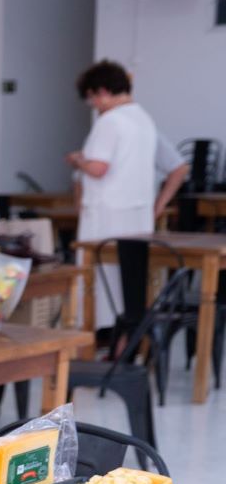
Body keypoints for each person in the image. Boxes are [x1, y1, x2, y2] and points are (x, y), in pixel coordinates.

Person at [65, 59, 158, 329]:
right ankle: (127, 338)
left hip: (107, 214)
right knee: (128, 282)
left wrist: (77, 160)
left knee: (100, 281)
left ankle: (97, 336)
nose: (93, 105)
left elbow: (98, 167)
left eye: (92, 98)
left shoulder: (111, 121)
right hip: (137, 213)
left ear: (102, 91)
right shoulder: (143, 118)